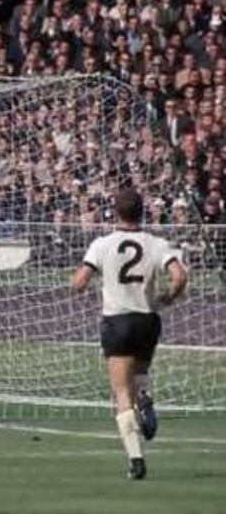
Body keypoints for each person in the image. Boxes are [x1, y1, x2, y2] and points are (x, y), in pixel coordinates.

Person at [72, 188, 188, 480]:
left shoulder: (102, 244)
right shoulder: (157, 243)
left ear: (115, 212)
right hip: (147, 320)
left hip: (118, 320)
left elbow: (80, 282)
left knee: (122, 393)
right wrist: (168, 298)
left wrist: (83, 281)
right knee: (139, 374)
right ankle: (146, 396)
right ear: (142, 212)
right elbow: (180, 276)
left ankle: (136, 460)